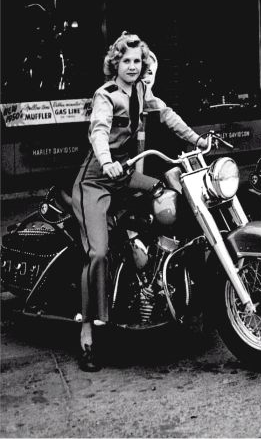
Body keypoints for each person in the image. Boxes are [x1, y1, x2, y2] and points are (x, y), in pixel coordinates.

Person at [72, 32, 206, 371]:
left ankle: (163, 284)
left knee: (169, 196)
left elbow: (168, 115)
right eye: (126, 61)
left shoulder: (143, 92)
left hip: (125, 173)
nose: (132, 66)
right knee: (98, 252)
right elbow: (98, 130)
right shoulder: (106, 95)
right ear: (115, 64)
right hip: (97, 178)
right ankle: (88, 332)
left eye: (137, 61)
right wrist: (106, 161)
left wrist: (198, 140)